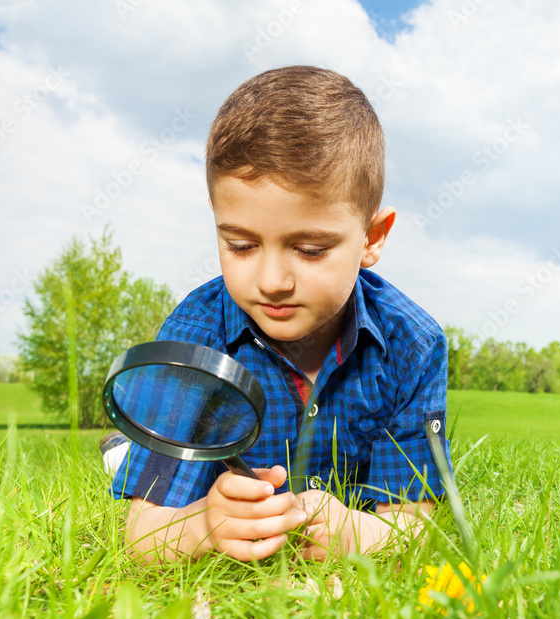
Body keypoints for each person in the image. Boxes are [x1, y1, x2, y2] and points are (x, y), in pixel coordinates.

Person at [109, 65, 451, 564]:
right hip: (202, 480)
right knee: (144, 463)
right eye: (241, 245)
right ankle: (122, 451)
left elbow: (414, 527)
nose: (271, 280)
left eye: (310, 249)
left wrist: (354, 532)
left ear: (372, 239)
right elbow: (144, 535)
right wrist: (204, 525)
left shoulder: (413, 345)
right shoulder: (194, 335)